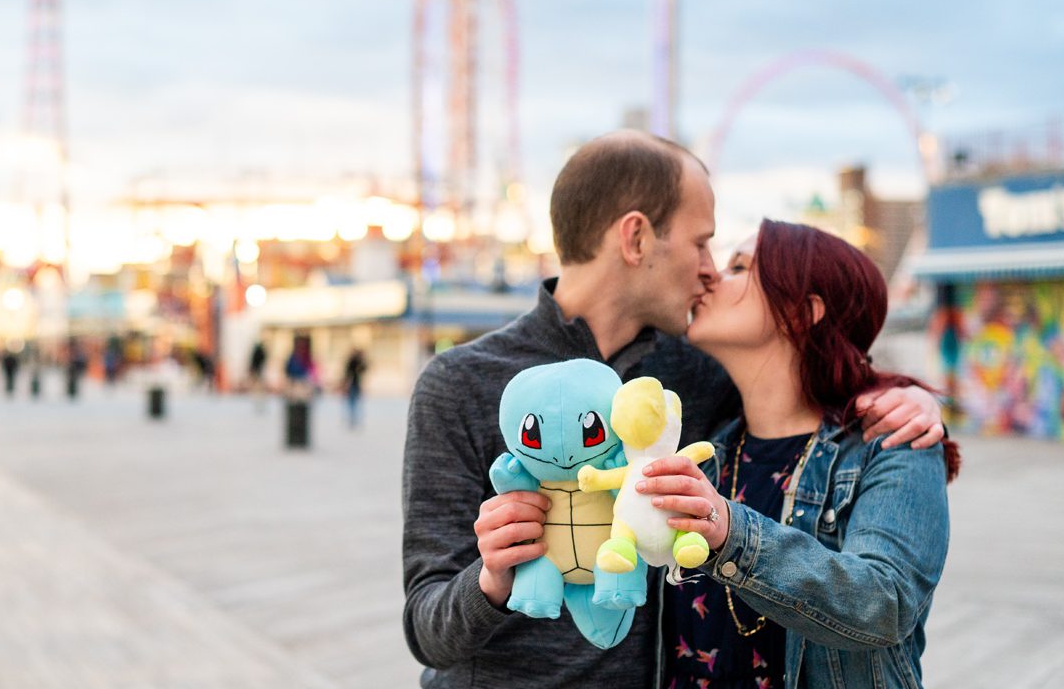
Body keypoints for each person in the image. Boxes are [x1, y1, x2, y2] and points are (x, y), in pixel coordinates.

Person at [401, 130, 946, 688]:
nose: (710, 269)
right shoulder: (460, 383)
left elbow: (801, 385)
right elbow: (427, 630)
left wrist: (900, 395)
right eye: (701, 242)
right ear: (636, 238)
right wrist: (491, 579)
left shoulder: (696, 378)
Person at [645, 220, 958, 689]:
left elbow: (884, 602)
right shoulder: (707, 448)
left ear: (801, 311)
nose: (711, 276)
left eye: (740, 266)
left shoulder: (892, 447)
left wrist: (732, 533)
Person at [342, 347, 368, 429]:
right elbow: (348, 374)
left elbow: (364, 369)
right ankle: (352, 420)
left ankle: (353, 420)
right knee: (352, 403)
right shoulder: (353, 362)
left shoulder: (357, 362)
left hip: (355, 384)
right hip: (352, 385)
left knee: (353, 403)